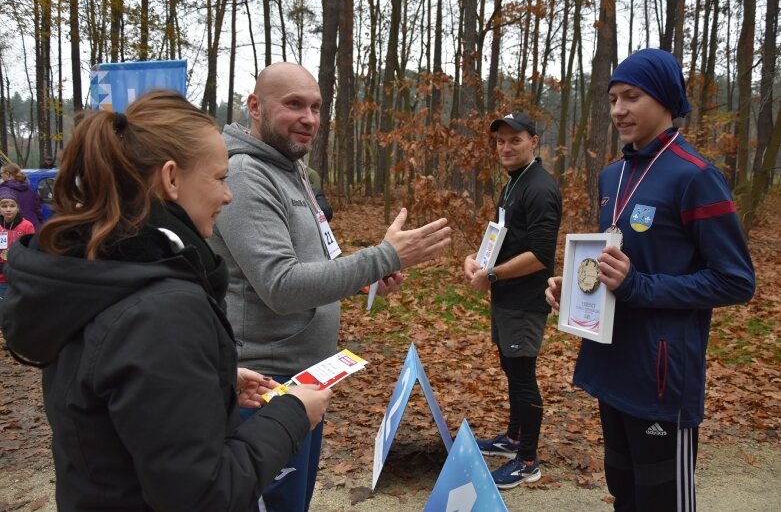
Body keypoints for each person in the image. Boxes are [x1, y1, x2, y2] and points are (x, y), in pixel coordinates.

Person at [0, 90, 333, 511]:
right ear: (172, 178)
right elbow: (203, 495)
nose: (228, 196)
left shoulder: (95, 272)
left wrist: (210, 380)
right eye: (219, 178)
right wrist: (291, 415)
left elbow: (114, 390)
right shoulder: (163, 308)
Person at [208, 62, 452, 512]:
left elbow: (312, 257)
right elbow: (280, 285)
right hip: (261, 386)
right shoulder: (246, 174)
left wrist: (363, 274)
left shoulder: (290, 167)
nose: (310, 119)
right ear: (256, 107)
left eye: (317, 107)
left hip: (305, 379)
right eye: (294, 105)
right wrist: (384, 257)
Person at [545, 49, 755, 511]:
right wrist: (577, 292)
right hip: (611, 368)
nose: (619, 109)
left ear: (663, 99)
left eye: (632, 97)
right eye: (614, 98)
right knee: (625, 492)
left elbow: (736, 281)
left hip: (661, 379)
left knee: (664, 502)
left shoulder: (696, 177)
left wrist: (640, 286)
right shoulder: (611, 175)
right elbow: (614, 262)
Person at [463, 112, 562, 489]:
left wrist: (492, 275)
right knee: (510, 366)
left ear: (534, 142)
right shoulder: (513, 183)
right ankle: (514, 438)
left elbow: (540, 254)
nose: (506, 147)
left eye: (515, 140)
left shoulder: (539, 188)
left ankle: (527, 459)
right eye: (501, 140)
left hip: (525, 300)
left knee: (522, 375)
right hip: (506, 297)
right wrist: (478, 260)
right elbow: (503, 236)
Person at [0, 187, 35, 300]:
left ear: (18, 208)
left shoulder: (27, 225)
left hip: (18, 274)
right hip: (1, 277)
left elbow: (31, 250)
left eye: (12, 206)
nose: (8, 209)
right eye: (4, 206)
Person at [1, 163, 43, 229]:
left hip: (13, 229)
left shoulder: (3, 190)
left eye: (1, 173)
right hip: (33, 226)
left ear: (7, 174)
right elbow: (38, 211)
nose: (1, 175)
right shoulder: (30, 188)